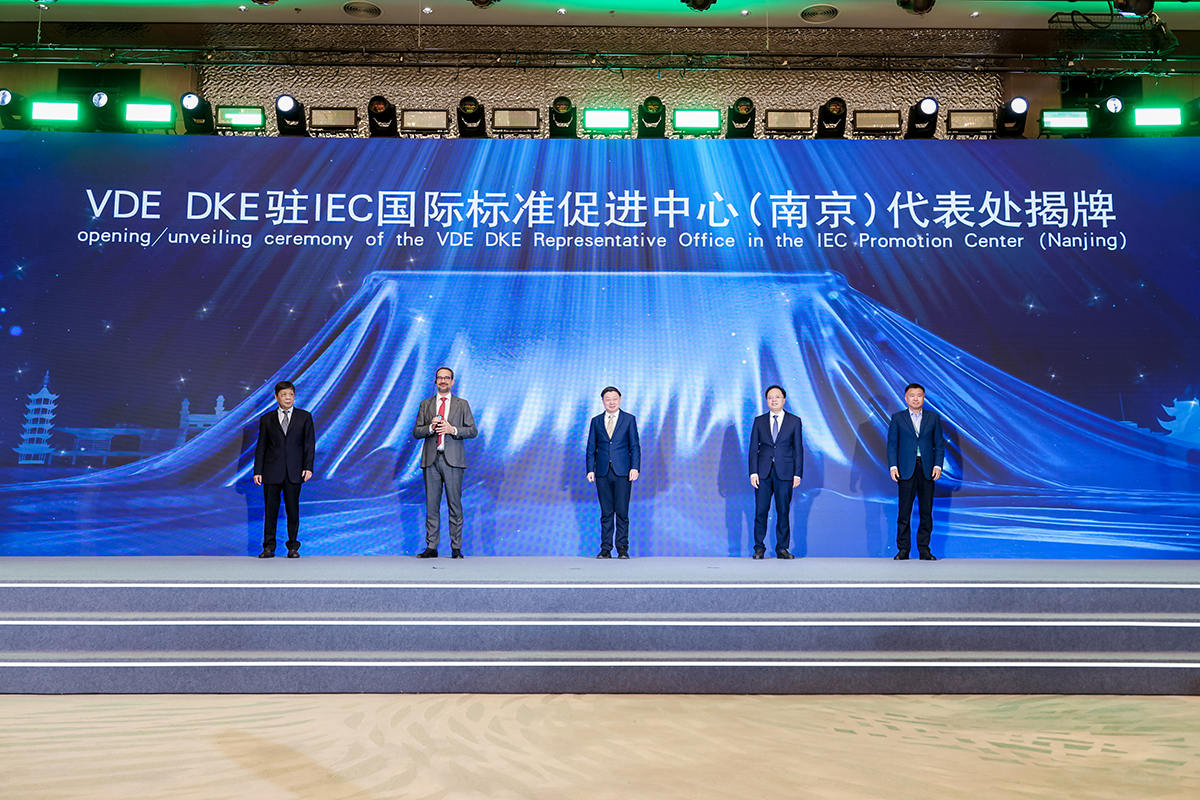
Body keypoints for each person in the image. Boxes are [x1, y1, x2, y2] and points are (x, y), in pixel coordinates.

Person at [413, 367, 478, 558]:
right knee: (431, 505)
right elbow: (417, 432)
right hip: (431, 461)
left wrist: (453, 430)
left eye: (447, 378)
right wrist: (430, 427)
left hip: (453, 461)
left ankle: (456, 547)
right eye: (440, 378)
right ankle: (431, 547)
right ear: (435, 381)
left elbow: (472, 431)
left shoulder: (462, 404)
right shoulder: (425, 404)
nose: (443, 381)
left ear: (452, 381)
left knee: (454, 505)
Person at [253, 380, 315, 558]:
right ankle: (269, 547)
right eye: (284, 395)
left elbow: (309, 444)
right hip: (271, 471)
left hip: (295, 471)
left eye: (291, 394)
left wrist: (308, 467)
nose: (288, 398)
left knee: (292, 510)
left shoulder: (304, 417)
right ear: (276, 397)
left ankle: (293, 547)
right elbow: (261, 447)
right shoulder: (267, 419)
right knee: (270, 510)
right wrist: (258, 471)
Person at [886, 383, 945, 561]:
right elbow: (892, 445)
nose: (915, 398)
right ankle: (903, 549)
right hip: (905, 469)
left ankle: (924, 549)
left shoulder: (933, 417)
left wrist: (938, 465)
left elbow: (939, 445)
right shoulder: (898, 418)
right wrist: (893, 466)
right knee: (904, 512)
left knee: (926, 512)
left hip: (927, 469)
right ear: (906, 398)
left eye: (919, 395)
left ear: (923, 398)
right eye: (912, 395)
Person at [748, 385, 803, 559]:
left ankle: (782, 548)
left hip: (785, 472)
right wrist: (753, 472)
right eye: (770, 397)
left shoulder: (794, 421)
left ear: (784, 400)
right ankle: (759, 548)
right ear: (767, 401)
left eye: (777, 397)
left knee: (783, 511)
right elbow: (753, 449)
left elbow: (798, 449)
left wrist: (797, 474)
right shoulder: (759, 421)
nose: (773, 400)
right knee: (761, 511)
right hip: (762, 473)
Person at [585, 386, 641, 559]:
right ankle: (606, 548)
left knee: (622, 512)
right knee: (606, 512)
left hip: (623, 472)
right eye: (607, 399)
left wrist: (635, 467)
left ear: (620, 399)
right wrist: (590, 469)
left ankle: (622, 548)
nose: (611, 402)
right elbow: (591, 447)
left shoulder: (629, 419)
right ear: (602, 401)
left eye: (614, 398)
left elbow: (634, 446)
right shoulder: (596, 421)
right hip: (602, 472)